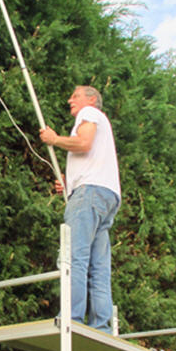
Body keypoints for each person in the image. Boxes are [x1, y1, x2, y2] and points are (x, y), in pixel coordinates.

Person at [39, 85, 121, 333]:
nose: (69, 100)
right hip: (104, 195)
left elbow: (83, 144)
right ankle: (101, 326)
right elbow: (90, 156)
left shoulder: (91, 114)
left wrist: (54, 140)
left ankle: (72, 319)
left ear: (91, 99)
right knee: (98, 266)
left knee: (74, 258)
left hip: (90, 194)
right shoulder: (101, 123)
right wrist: (69, 184)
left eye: (75, 96)